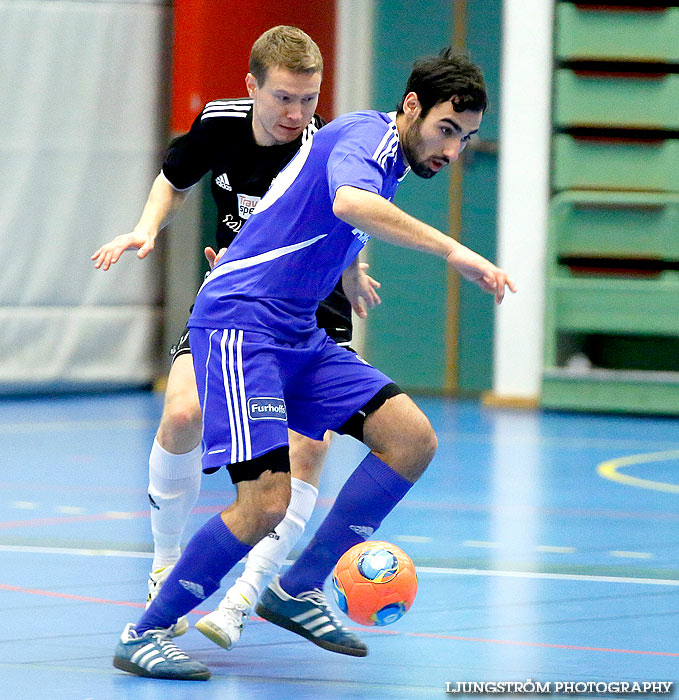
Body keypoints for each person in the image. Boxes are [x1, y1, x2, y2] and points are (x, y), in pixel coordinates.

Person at [112, 47, 516, 682]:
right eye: (447, 131)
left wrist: (349, 270)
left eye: (465, 139)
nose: (454, 151)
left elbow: (313, 206)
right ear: (411, 107)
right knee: (265, 502)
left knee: (411, 439)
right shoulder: (368, 138)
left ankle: (295, 588)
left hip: (296, 330)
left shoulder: (385, 151)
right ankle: (147, 633)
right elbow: (352, 203)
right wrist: (457, 253)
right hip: (240, 324)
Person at [93, 25, 380, 653]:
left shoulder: (323, 145)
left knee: (305, 450)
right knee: (182, 414)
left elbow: (349, 214)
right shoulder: (220, 124)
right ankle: (165, 570)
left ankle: (248, 598)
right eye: (283, 98)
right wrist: (146, 229)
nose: (296, 114)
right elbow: (174, 177)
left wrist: (354, 273)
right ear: (251, 87)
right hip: (237, 295)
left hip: (312, 301)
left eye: (308, 100)